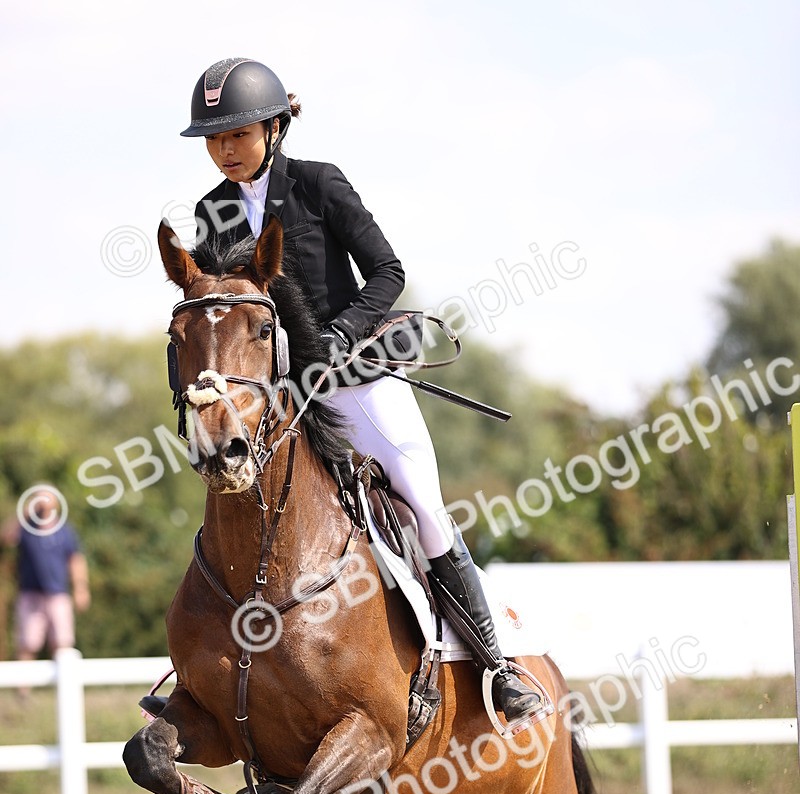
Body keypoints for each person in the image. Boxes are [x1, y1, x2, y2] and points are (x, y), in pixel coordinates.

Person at [180, 57, 543, 727]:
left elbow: (387, 270)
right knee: (230, 508)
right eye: (214, 139)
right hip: (276, 400)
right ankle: (197, 665)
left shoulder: (319, 185)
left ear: (274, 130)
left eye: (237, 135)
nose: (225, 150)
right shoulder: (210, 213)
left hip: (353, 384)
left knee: (424, 505)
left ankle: (497, 666)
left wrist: (344, 332)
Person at [2, 489, 90, 679]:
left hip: (58, 594)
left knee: (63, 642)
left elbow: (75, 560)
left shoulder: (65, 530)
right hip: (30, 594)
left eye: (46, 497)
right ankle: (23, 689)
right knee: (27, 643)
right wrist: (25, 512)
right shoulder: (25, 528)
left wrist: (81, 588)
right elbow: (6, 538)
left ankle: (65, 686)